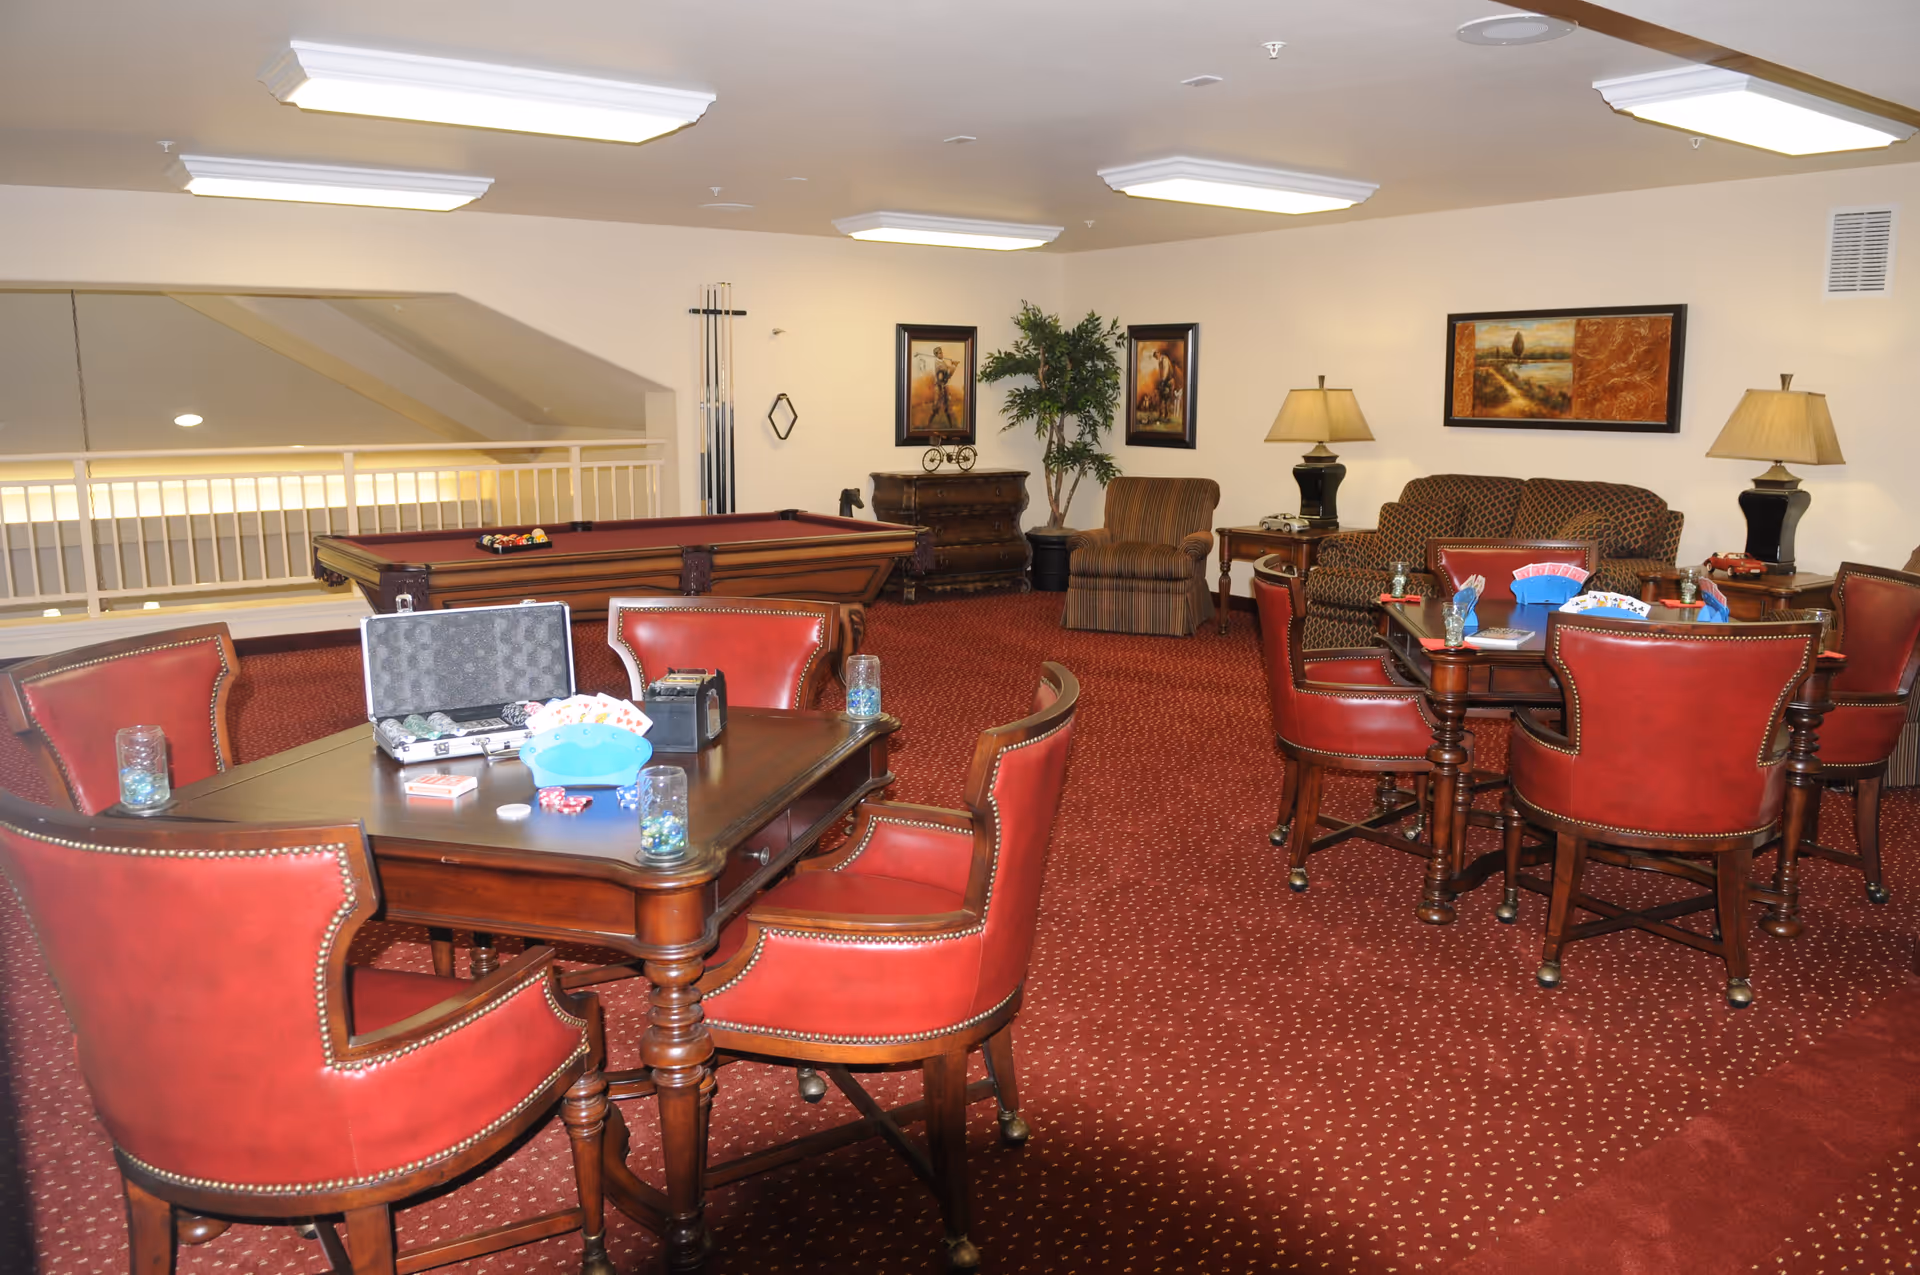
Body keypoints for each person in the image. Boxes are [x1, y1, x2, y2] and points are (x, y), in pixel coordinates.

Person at [925, 346, 961, 429]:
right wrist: (954, 367)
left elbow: (947, 371)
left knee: (947, 407)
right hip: (939, 387)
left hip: (943, 387)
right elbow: (945, 376)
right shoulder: (938, 364)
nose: (942, 354)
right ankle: (928, 426)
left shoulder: (942, 362)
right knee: (936, 408)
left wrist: (953, 365)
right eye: (940, 353)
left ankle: (951, 427)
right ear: (936, 355)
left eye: (941, 352)